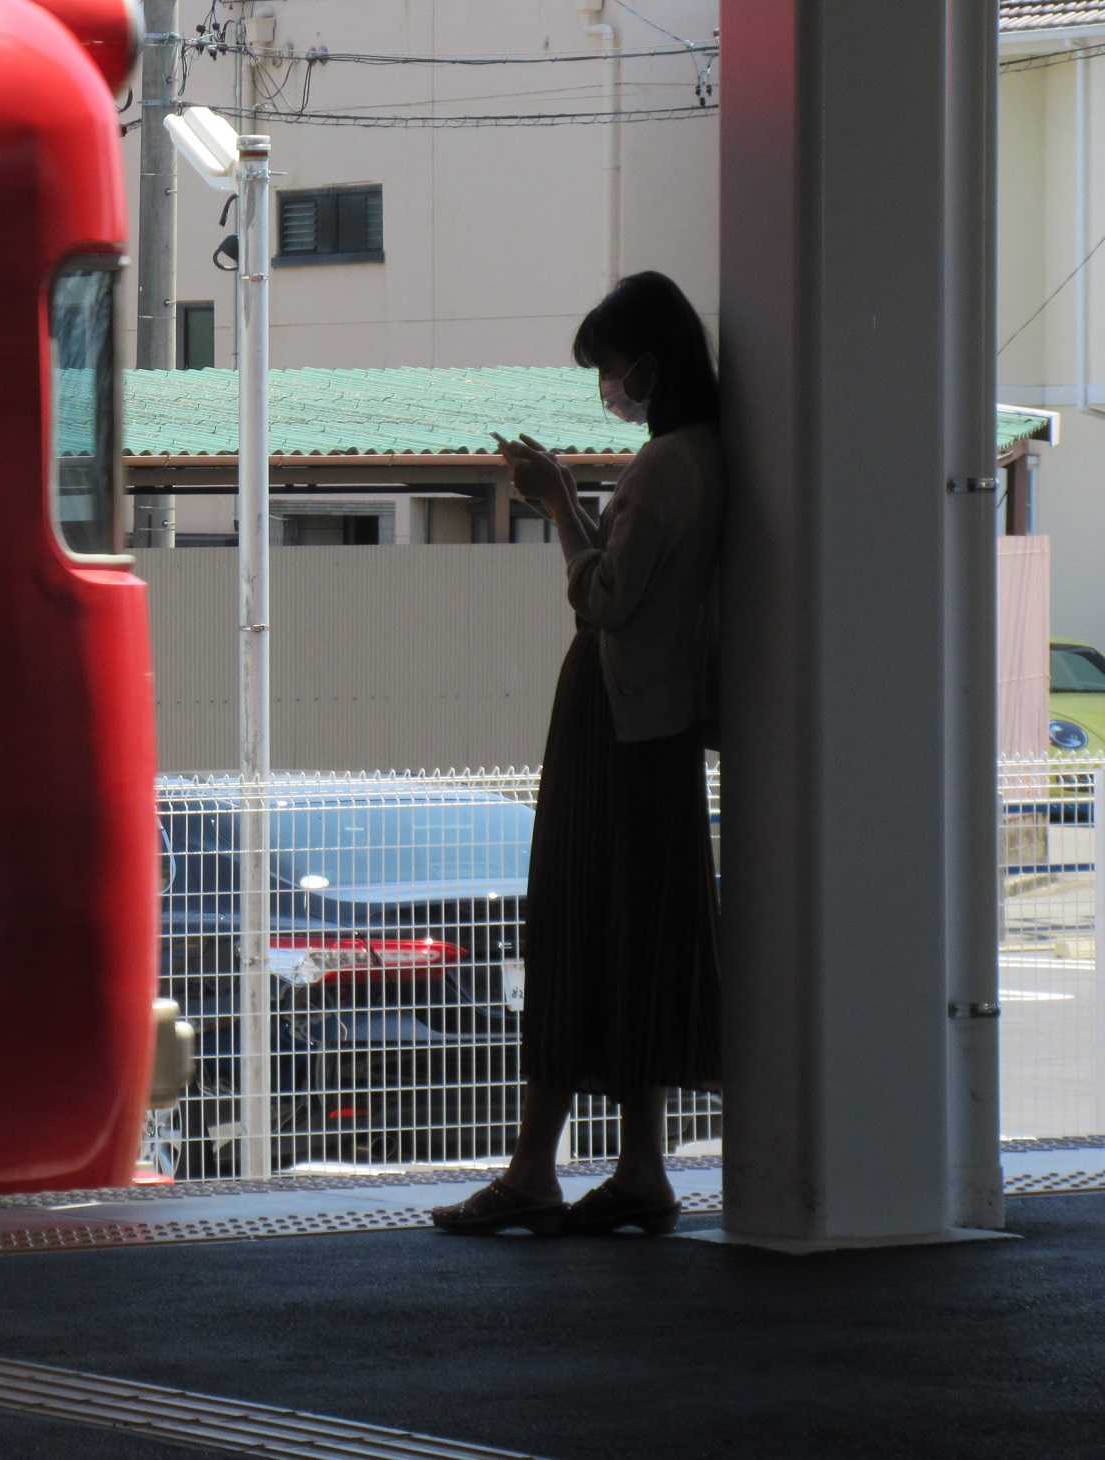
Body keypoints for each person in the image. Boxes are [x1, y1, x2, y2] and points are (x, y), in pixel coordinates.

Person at [432, 271, 723, 1238]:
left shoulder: (665, 467)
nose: (610, 385)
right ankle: (639, 1169)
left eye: (611, 368)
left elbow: (603, 601)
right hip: (659, 727)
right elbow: (632, 582)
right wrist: (575, 506)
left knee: (573, 927)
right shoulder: (703, 457)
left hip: (614, 728)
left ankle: (532, 1172)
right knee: (635, 940)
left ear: (651, 361)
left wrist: (559, 505)